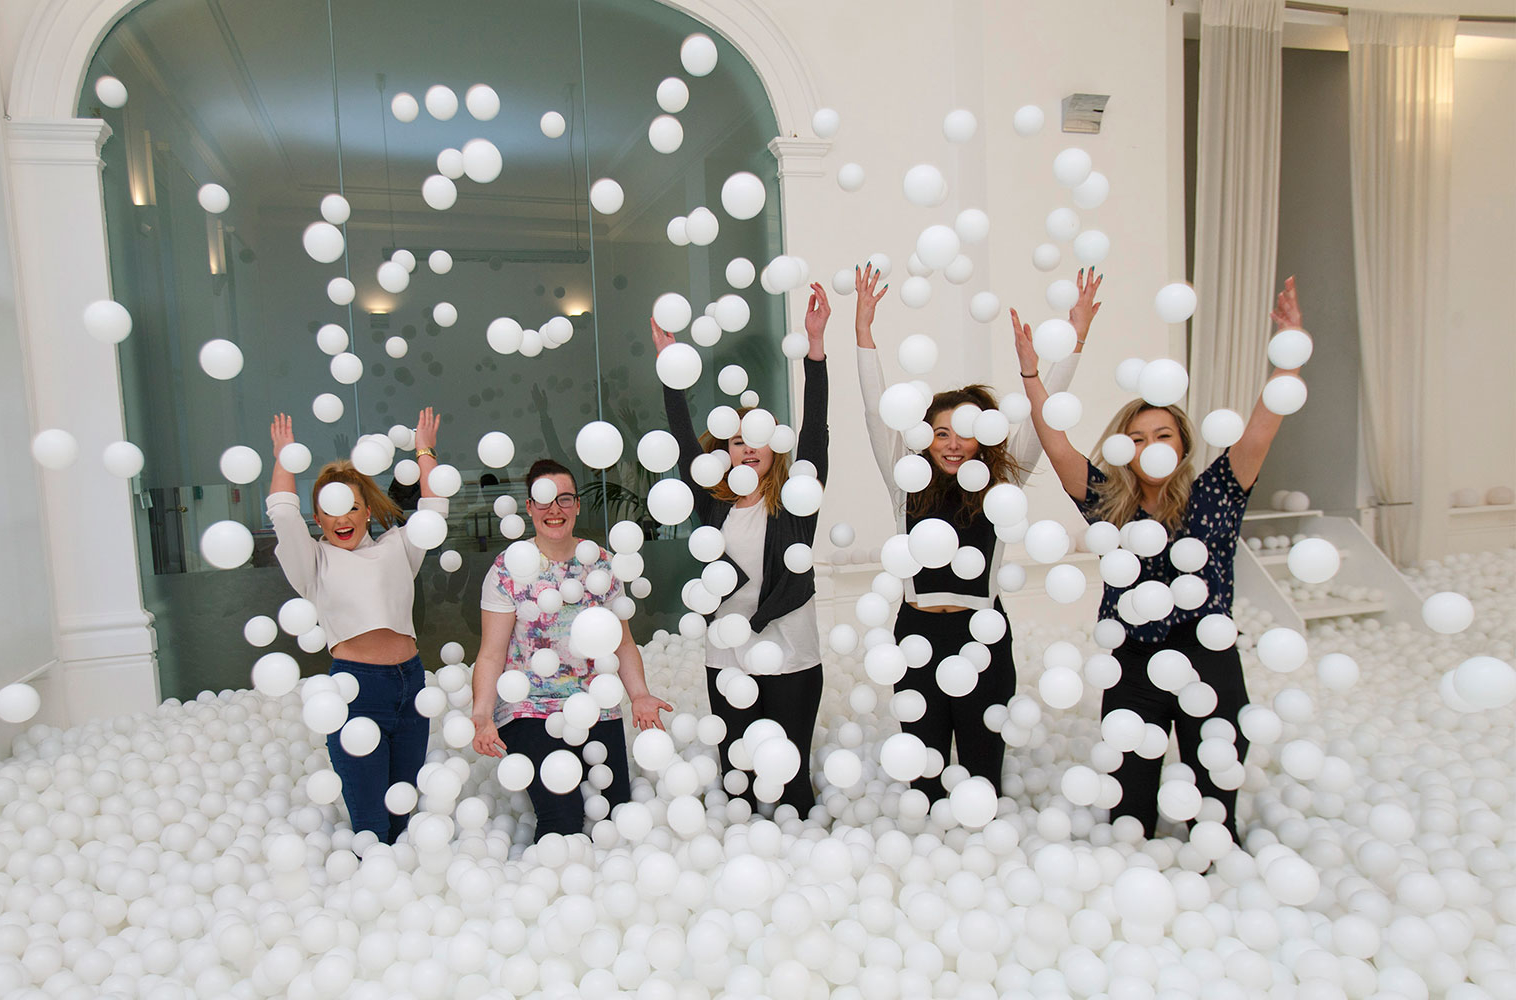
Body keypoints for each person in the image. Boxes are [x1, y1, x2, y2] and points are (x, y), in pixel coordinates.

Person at [1015, 276, 1306, 840]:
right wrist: (1042, 366)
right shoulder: (1109, 505)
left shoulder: (1218, 491)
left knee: (1215, 802)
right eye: (1140, 436)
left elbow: (1264, 427)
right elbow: (1055, 442)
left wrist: (1289, 353)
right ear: (1126, 446)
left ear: (1183, 443)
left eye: (1164, 434)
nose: (1153, 446)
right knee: (1129, 810)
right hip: (1130, 662)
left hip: (1209, 659)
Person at [854, 265, 1101, 804]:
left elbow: (1043, 420)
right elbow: (877, 412)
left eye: (965, 433)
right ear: (925, 437)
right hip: (916, 636)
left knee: (983, 768)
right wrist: (864, 335)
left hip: (983, 638)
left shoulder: (1002, 482)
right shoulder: (906, 481)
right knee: (924, 770)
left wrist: (1073, 339)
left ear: (982, 438)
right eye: (941, 432)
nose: (952, 443)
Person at [651, 283, 831, 818]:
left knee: (790, 774)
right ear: (724, 450)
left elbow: (817, 432)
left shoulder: (797, 503)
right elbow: (682, 443)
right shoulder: (712, 507)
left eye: (758, 439)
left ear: (775, 450)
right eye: (736, 440)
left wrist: (815, 352)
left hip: (793, 658)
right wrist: (670, 368)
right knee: (739, 775)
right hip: (727, 659)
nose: (747, 447)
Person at [266, 408, 447, 845]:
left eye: (351, 507)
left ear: (367, 511)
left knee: (404, 816)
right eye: (329, 511)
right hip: (355, 692)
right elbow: (284, 515)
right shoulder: (313, 562)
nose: (341, 519)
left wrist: (424, 450)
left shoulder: (397, 547)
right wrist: (283, 458)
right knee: (372, 825)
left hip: (411, 686)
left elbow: (435, 507)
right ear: (319, 518)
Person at [469, 459, 672, 839]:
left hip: (597, 702)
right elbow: (492, 653)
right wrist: (482, 714)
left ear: (577, 505)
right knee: (562, 819)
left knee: (616, 819)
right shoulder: (507, 570)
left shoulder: (602, 566)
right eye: (543, 501)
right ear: (529, 507)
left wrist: (639, 695)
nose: (554, 510)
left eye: (564, 499)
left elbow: (622, 642)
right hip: (530, 707)